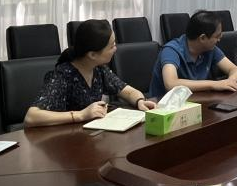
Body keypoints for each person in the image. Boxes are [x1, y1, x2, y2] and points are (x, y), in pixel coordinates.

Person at [24, 19, 155, 126]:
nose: (115, 49)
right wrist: (81, 115)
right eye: (111, 46)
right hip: (63, 141)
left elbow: (127, 91)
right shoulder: (63, 75)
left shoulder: (98, 69)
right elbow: (31, 117)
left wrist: (139, 101)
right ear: (92, 54)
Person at [148, 10, 237, 99]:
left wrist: (230, 81)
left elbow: (235, 69)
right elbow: (171, 83)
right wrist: (214, 84)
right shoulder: (171, 50)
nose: (220, 38)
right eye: (217, 36)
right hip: (165, 105)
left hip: (196, 101)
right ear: (202, 38)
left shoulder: (210, 49)